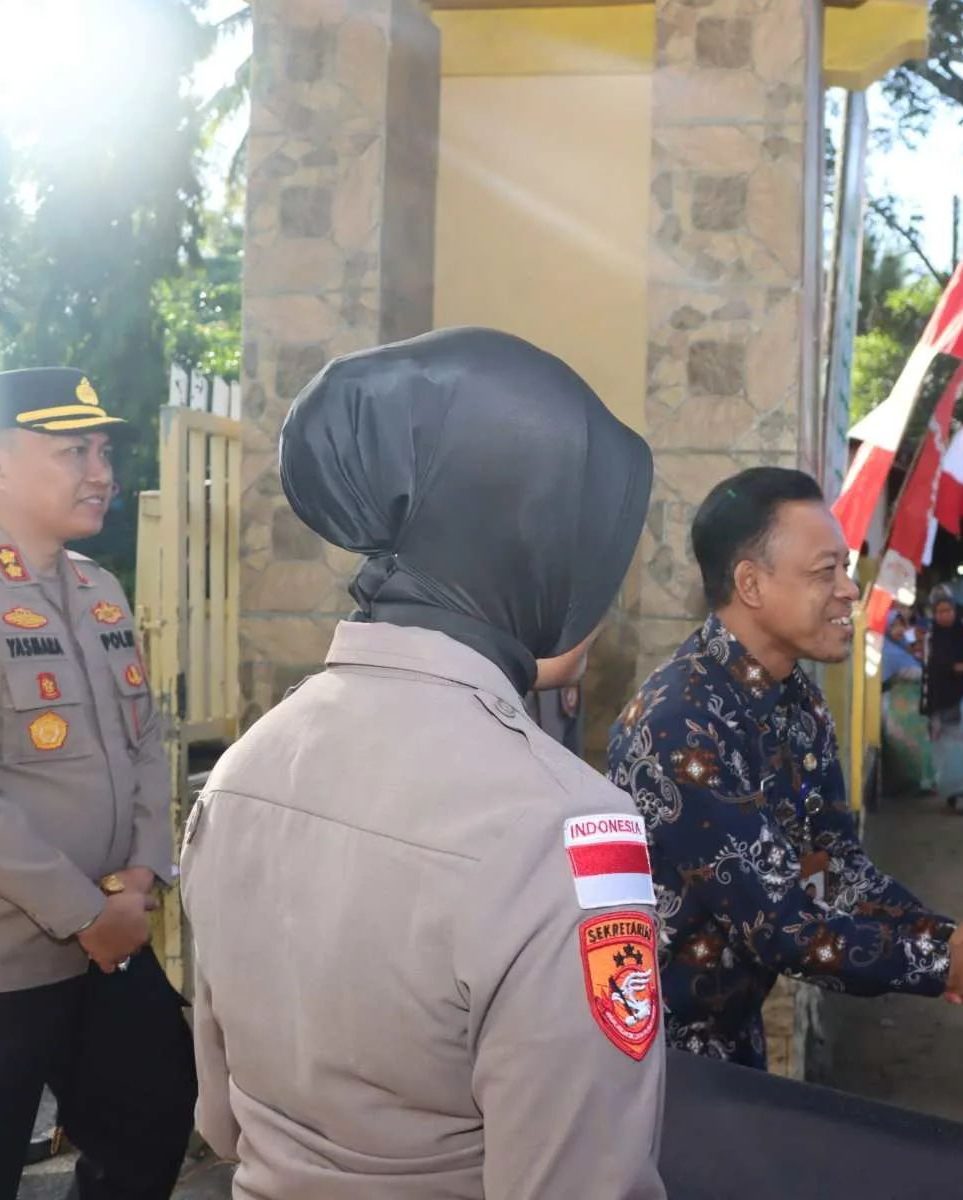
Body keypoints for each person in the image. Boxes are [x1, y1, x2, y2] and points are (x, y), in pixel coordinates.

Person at [179, 328, 667, 1198]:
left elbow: (220, 1116)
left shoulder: (241, 769)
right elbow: (578, 1182)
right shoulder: (564, 828)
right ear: (537, 554)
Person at [606, 466, 963, 1069]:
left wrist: (949, 939)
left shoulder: (798, 702)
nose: (849, 589)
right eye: (824, 571)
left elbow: (834, 870)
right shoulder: (682, 724)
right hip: (648, 1061)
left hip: (730, 1043)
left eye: (845, 567)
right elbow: (777, 923)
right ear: (751, 585)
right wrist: (949, 967)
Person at [0, 368, 197, 1200]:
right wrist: (84, 913)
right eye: (74, 450)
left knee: (152, 1113)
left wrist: (138, 877)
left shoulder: (97, 588)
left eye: (102, 449)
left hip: (108, 943)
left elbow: (144, 743)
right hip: (1, 963)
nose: (102, 471)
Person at [921, 586, 963, 814]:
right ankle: (954, 793)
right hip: (943, 701)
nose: (945, 615)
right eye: (940, 611)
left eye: (949, 610)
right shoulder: (933, 638)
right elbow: (946, 667)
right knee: (949, 753)